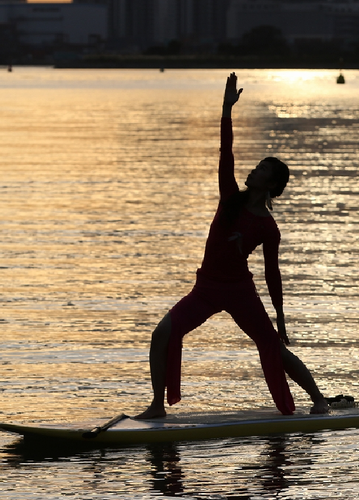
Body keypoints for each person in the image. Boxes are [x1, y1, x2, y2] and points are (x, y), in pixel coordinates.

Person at [134, 73, 329, 420]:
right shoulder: (229, 200)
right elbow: (227, 153)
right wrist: (226, 110)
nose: (252, 171)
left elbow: (272, 274)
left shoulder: (268, 227)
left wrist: (281, 320)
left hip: (240, 293)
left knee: (271, 345)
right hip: (206, 288)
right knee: (162, 333)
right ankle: (156, 406)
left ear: (271, 184)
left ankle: (319, 398)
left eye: (261, 170)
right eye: (255, 167)